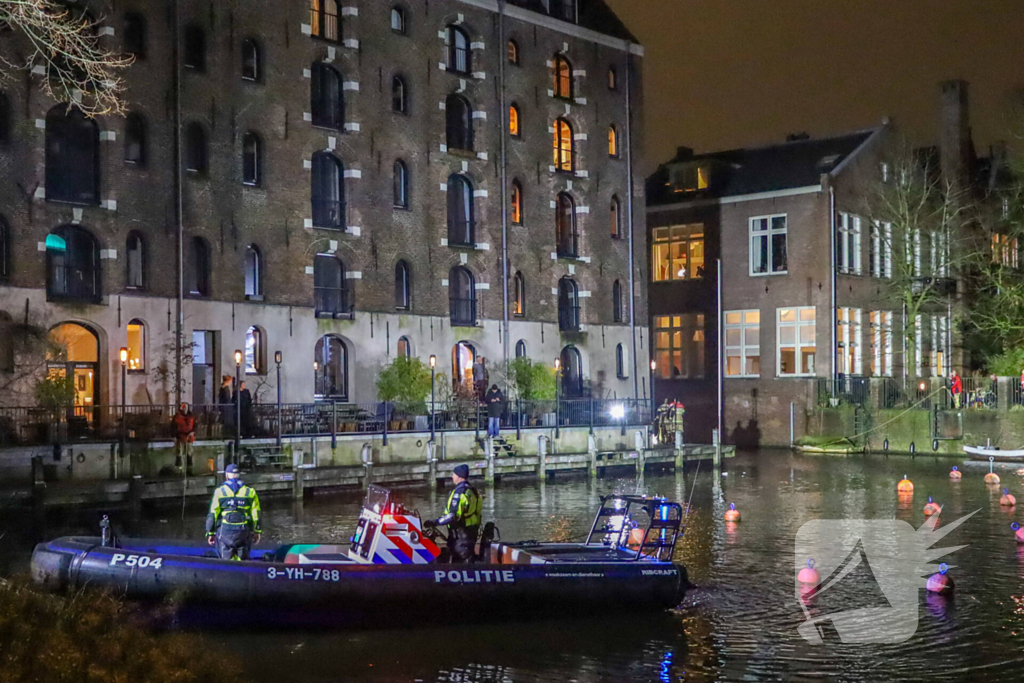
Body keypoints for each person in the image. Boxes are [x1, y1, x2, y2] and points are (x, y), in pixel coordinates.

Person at [424, 464, 481, 564]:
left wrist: (435, 522)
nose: (452, 477)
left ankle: (464, 575)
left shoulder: (460, 493)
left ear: (459, 476)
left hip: (461, 533)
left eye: (454, 474)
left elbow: (452, 515)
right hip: (470, 530)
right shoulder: (472, 490)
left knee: (461, 558)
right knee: (464, 553)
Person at [205, 464, 262, 560]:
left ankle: (227, 569)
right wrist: (257, 531)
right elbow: (256, 515)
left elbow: (212, 514)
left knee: (225, 559)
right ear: (239, 475)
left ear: (227, 475)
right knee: (243, 559)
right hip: (243, 532)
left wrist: (210, 532)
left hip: (225, 532)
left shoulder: (219, 492)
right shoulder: (250, 492)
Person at [172, 402, 195, 475]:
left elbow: (195, 425)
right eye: (183, 407)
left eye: (186, 407)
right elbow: (172, 426)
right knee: (179, 454)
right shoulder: (177, 417)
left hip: (189, 438)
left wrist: (193, 432)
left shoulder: (191, 416)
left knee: (189, 454)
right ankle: (179, 471)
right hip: (180, 437)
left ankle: (189, 470)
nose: (185, 409)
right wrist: (174, 436)